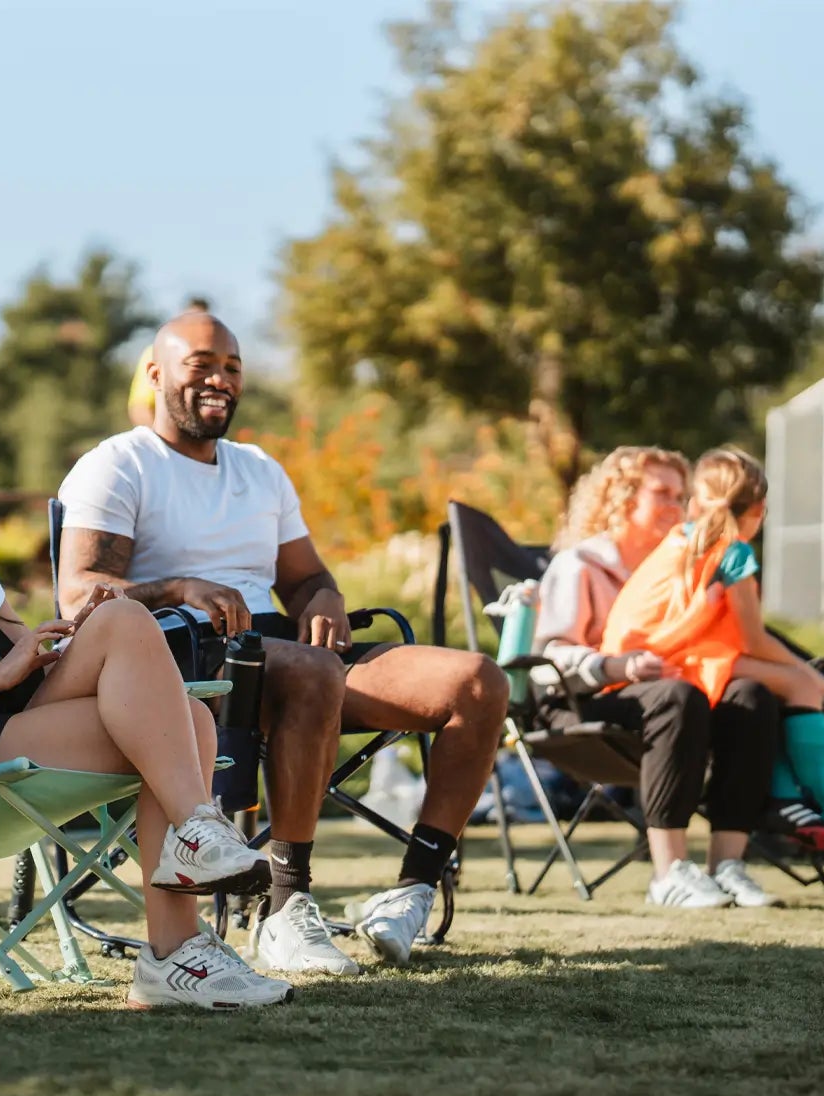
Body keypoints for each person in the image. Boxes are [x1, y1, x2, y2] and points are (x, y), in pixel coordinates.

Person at [0, 377, 293, 1011]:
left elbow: (20, 652)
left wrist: (60, 643)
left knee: (174, 694)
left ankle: (177, 942)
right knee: (181, 713)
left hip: (4, 722)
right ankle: (192, 868)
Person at [57, 312, 508, 974]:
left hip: (284, 654)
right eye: (202, 363)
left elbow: (305, 578)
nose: (220, 379)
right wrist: (181, 586)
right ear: (155, 374)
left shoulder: (259, 469)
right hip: (186, 663)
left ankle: (409, 892)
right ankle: (285, 906)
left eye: (233, 367)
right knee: (310, 671)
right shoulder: (120, 463)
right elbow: (81, 593)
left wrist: (324, 597)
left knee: (478, 682)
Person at [536, 448, 792, 908]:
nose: (677, 505)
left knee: (750, 695)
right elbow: (548, 657)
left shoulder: (685, 557)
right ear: (620, 497)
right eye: (662, 493)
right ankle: (669, 873)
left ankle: (728, 864)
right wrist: (617, 665)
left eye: (682, 494)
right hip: (585, 701)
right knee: (678, 697)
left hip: (673, 692)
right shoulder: (579, 564)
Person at [601, 449, 824, 871]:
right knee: (806, 686)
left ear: (697, 502)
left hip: (640, 665)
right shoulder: (733, 552)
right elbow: (754, 639)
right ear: (759, 511)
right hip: (674, 662)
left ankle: (786, 797)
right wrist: (803, 667)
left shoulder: (680, 539)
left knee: (758, 696)